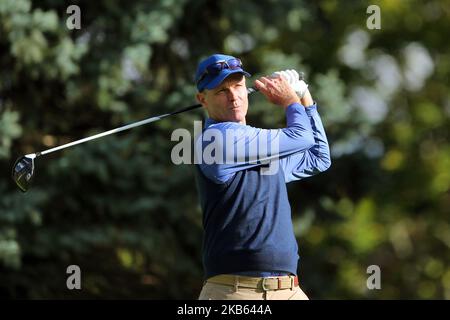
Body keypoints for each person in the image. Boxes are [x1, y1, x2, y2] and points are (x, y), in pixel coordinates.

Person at [194, 53, 331, 300]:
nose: (234, 97)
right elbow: (301, 137)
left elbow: (317, 157)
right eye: (221, 91)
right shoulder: (215, 141)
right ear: (202, 99)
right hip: (236, 291)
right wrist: (291, 102)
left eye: (237, 86)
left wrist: (303, 94)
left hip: (289, 290)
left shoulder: (259, 148)